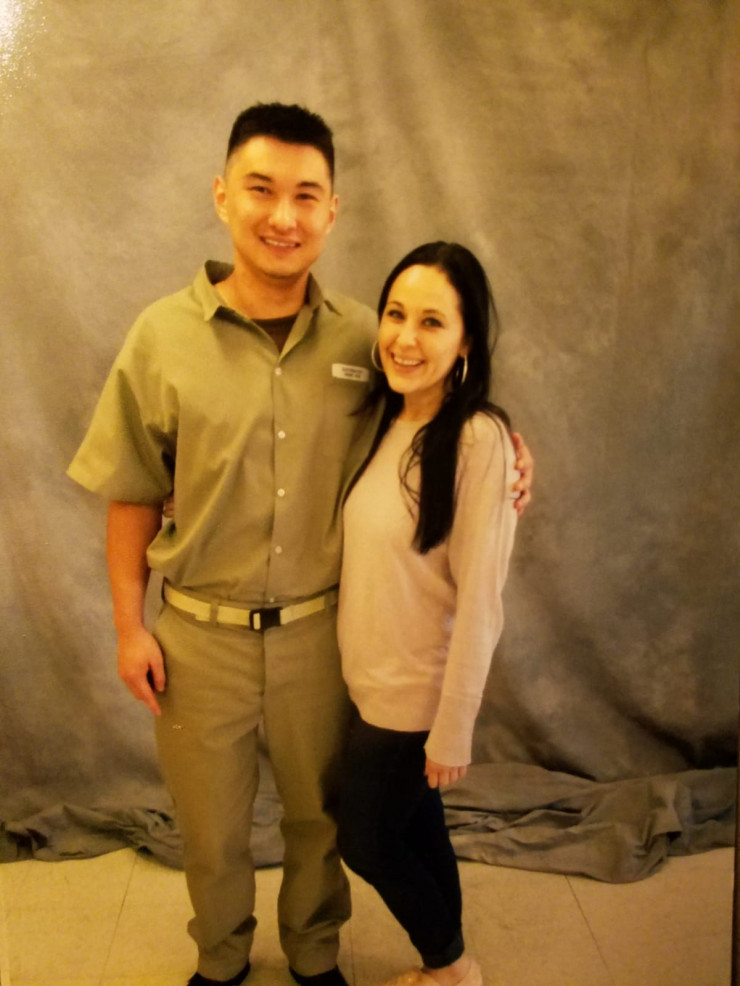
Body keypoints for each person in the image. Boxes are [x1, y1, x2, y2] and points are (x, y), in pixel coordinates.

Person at [67, 104, 533, 986]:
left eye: (306, 195)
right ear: (222, 196)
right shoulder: (160, 337)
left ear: (332, 211)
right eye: (261, 190)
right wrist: (130, 627)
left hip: (322, 636)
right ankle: (221, 959)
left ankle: (317, 957)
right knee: (210, 829)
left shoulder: (368, 336)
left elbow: (438, 418)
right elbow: (130, 490)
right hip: (197, 637)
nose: (283, 216)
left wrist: (507, 452)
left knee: (321, 821)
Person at [337, 242, 519, 986]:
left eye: (432, 322)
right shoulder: (385, 420)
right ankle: (447, 964)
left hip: (414, 696)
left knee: (366, 840)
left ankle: (452, 965)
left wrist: (454, 727)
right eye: (395, 314)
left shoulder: (478, 440)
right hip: (369, 682)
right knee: (417, 824)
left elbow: (481, 601)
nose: (405, 338)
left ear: (467, 341)